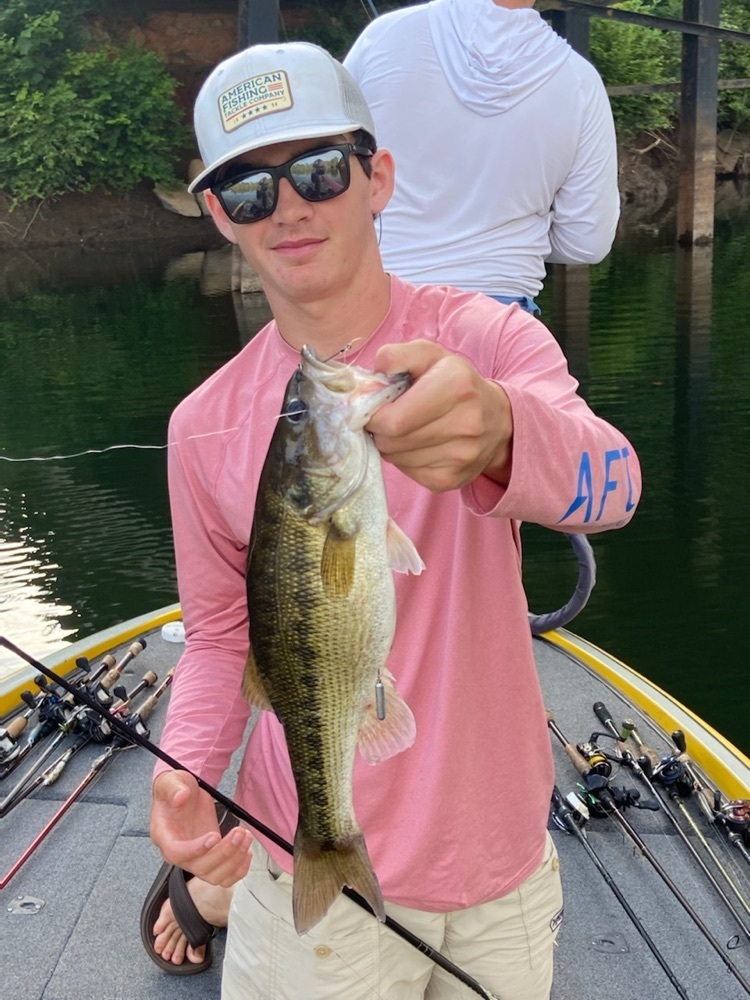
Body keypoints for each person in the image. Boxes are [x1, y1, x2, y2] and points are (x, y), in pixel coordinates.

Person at [147, 40, 641, 999]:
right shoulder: (202, 424)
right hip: (301, 847)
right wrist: (186, 769)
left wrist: (504, 431)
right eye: (248, 190)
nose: (288, 207)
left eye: (319, 171)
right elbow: (217, 635)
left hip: (497, 854)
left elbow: (617, 486)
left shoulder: (485, 340)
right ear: (221, 217)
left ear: (377, 178)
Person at [343, 0, 621, 314]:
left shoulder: (385, 36)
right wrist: (514, 239)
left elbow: (327, 170)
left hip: (374, 307)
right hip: (500, 319)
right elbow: (587, 242)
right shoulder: (580, 82)